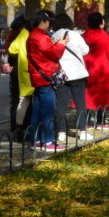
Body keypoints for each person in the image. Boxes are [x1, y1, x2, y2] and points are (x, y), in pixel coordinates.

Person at [26, 11, 68, 151]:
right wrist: (61, 44)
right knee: (48, 110)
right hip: (46, 77)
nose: (49, 25)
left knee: (37, 110)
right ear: (42, 22)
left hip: (38, 76)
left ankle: (36, 140)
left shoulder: (32, 36)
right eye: (48, 22)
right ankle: (47, 141)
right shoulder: (41, 37)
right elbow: (54, 54)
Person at [50, 14, 92, 144]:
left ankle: (61, 132)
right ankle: (83, 131)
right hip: (77, 73)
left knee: (61, 104)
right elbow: (85, 50)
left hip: (61, 74)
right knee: (80, 103)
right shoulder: (75, 35)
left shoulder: (53, 36)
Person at [82, 12, 109, 129]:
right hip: (102, 69)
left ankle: (86, 122)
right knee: (102, 95)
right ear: (101, 22)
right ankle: (100, 121)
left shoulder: (83, 36)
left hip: (87, 68)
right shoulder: (104, 36)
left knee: (86, 95)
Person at [6, 16, 33, 141]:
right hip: (34, 72)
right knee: (34, 100)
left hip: (21, 71)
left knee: (22, 101)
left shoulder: (20, 35)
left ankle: (18, 127)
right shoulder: (31, 34)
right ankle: (33, 128)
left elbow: (11, 49)